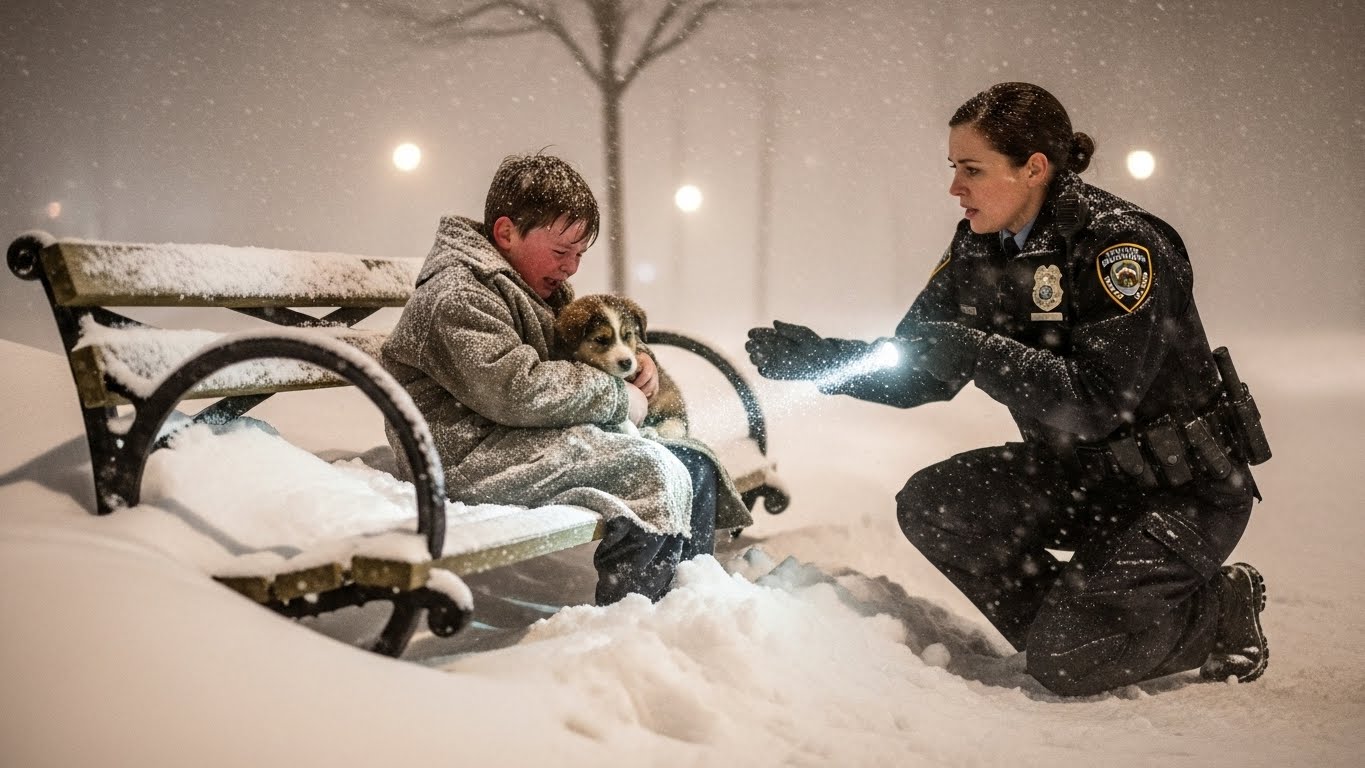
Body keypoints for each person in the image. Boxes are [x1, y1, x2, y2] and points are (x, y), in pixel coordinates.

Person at [745, 82, 1270, 696]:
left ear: (1034, 169)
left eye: (972, 169)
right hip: (1087, 479)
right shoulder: (978, 246)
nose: (954, 187)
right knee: (935, 505)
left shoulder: (1119, 246)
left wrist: (977, 349)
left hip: (1182, 492)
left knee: (1067, 665)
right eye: (953, 168)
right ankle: (1080, 631)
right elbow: (925, 368)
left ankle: (1214, 613)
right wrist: (824, 362)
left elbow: (1100, 401)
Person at [382, 152, 751, 605]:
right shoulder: (457, 296)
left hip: (522, 441)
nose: (572, 267)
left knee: (694, 465)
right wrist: (618, 398)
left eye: (579, 254)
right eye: (561, 252)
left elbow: (580, 346)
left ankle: (687, 605)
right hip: (466, 456)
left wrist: (638, 360)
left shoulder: (526, 285)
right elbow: (516, 388)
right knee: (650, 471)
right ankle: (634, 618)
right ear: (506, 233)